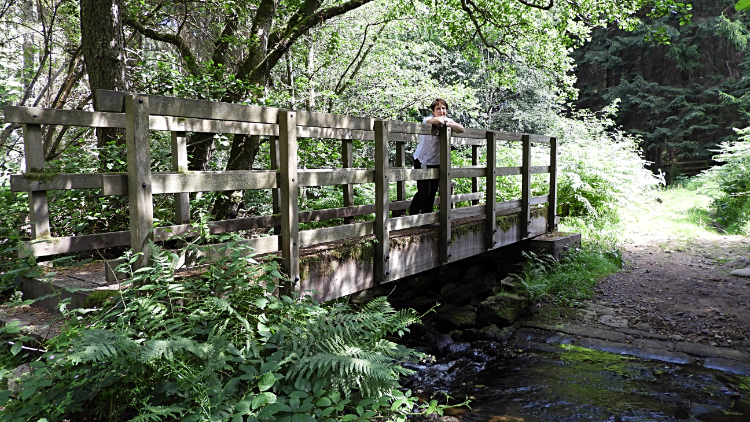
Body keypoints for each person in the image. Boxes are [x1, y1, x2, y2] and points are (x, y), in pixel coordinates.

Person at [408, 98, 465, 215]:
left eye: (443, 108)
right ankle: (412, 214)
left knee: (433, 191)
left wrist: (448, 123)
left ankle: (426, 217)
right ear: (433, 111)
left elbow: (461, 129)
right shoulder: (427, 119)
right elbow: (438, 122)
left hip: (436, 161)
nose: (441, 111)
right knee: (424, 191)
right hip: (422, 160)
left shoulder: (448, 120)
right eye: (438, 108)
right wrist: (446, 123)